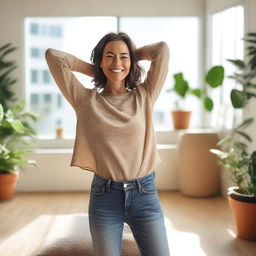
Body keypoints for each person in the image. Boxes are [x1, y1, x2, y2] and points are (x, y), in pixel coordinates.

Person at [45, 32, 170, 256]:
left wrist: (129, 59)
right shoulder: (84, 100)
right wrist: (99, 70)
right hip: (105, 197)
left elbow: (162, 50)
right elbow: (53, 56)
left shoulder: (145, 95)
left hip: (145, 194)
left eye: (123, 57)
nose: (116, 62)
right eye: (109, 56)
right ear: (100, 61)